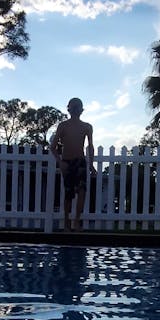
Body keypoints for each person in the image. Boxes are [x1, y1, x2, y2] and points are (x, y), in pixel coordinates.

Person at [50, 98, 96, 231]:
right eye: (73, 106)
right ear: (69, 109)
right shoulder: (63, 126)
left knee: (82, 192)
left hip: (80, 161)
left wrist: (91, 164)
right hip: (67, 162)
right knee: (69, 194)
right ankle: (66, 223)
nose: (75, 109)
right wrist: (60, 163)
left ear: (82, 110)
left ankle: (76, 222)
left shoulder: (87, 126)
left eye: (78, 106)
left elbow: (90, 146)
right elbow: (53, 147)